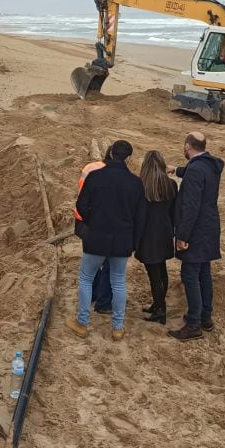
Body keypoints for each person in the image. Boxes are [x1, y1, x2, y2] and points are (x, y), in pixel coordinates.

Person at [66, 140, 146, 341]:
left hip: (96, 237)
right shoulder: (136, 184)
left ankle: (82, 323)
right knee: (118, 281)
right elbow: (140, 217)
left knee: (86, 278)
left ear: (110, 154)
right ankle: (117, 328)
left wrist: (95, 221)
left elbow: (82, 206)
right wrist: (134, 241)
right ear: (129, 158)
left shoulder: (95, 177)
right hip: (122, 239)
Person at [165, 132, 224, 341]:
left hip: (196, 230)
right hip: (210, 227)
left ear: (188, 146)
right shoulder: (210, 165)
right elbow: (197, 172)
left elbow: (191, 206)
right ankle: (205, 317)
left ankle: (193, 324)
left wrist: (182, 236)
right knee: (203, 273)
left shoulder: (196, 170)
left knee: (190, 275)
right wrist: (177, 170)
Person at [135, 151, 177, 324]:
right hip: (164, 231)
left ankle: (160, 309)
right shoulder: (170, 185)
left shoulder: (141, 186)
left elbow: (137, 214)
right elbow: (174, 211)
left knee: (153, 273)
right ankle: (158, 304)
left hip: (147, 234)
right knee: (161, 269)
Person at [74, 149, 114, 314]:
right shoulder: (111, 175)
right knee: (107, 263)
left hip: (84, 221)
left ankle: (92, 295)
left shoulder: (89, 168)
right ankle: (103, 301)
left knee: (91, 262)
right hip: (101, 223)